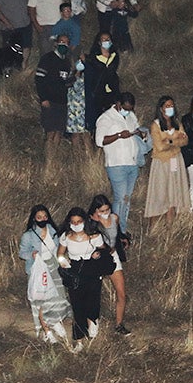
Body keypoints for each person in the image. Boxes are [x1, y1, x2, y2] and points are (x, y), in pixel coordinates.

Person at [56, 207, 121, 351]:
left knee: (92, 302)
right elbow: (60, 253)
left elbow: (104, 250)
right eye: (73, 222)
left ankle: (93, 322)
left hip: (91, 270)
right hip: (75, 271)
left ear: (84, 221)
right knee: (77, 306)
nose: (76, 224)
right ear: (69, 222)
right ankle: (79, 341)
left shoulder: (94, 235)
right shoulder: (66, 236)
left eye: (79, 221)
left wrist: (97, 253)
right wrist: (63, 263)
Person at [19, 205, 70, 344]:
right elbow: (21, 253)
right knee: (42, 301)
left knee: (58, 296)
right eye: (39, 217)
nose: (43, 219)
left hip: (53, 266)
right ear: (34, 218)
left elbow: (59, 249)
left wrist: (63, 262)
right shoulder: (29, 235)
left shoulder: (53, 231)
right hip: (38, 269)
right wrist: (32, 254)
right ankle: (47, 330)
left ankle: (55, 321)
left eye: (45, 217)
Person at [95, 92, 145, 232]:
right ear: (118, 104)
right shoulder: (106, 118)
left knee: (127, 200)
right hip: (117, 165)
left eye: (130, 109)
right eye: (125, 108)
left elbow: (136, 128)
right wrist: (118, 136)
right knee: (120, 199)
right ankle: (114, 231)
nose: (128, 111)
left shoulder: (130, 115)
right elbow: (100, 141)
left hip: (132, 163)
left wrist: (140, 133)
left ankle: (122, 230)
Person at [87, 195, 130, 334]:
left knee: (121, 293)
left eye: (107, 209)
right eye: (102, 210)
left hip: (112, 256)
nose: (105, 213)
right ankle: (91, 326)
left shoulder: (114, 218)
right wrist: (94, 221)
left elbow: (116, 235)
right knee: (93, 294)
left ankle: (119, 324)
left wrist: (123, 239)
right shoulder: (91, 222)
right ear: (96, 211)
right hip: (98, 258)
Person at [145, 96, 190, 222]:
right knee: (159, 191)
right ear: (161, 108)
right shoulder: (156, 125)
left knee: (174, 190)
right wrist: (176, 140)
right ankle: (154, 224)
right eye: (167, 106)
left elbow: (185, 140)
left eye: (172, 105)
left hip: (175, 160)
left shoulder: (177, 123)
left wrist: (169, 140)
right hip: (161, 162)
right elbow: (159, 146)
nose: (170, 108)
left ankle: (171, 222)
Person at [35, 40, 74, 155]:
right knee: (50, 132)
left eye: (66, 42)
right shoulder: (48, 58)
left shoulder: (66, 62)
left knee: (59, 132)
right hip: (50, 101)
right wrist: (43, 98)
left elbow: (67, 83)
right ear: (56, 43)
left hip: (62, 102)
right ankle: (48, 160)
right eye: (61, 41)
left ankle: (54, 158)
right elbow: (39, 79)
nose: (63, 44)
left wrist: (75, 75)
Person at [85, 33, 121, 117]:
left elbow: (112, 72)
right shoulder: (93, 58)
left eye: (108, 39)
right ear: (99, 42)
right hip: (99, 91)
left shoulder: (114, 56)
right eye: (103, 39)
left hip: (112, 90)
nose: (106, 41)